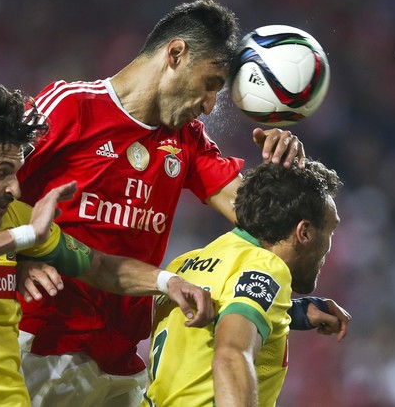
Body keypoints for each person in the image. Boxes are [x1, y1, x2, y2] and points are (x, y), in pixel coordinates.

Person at [16, 0, 350, 406]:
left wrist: (282, 168)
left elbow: (264, 223)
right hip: (45, 344)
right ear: (176, 54)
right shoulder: (69, 107)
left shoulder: (186, 141)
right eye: (210, 83)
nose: (211, 105)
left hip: (120, 361)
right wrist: (13, 258)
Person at [0, 84, 214, 406]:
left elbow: (101, 267)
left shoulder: (15, 217)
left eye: (15, 172)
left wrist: (169, 282)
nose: (14, 188)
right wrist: (23, 240)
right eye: (1, 173)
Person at [144, 159, 347, 406]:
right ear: (304, 232)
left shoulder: (183, 265)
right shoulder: (268, 267)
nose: (329, 245)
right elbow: (230, 355)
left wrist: (292, 312)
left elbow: (218, 317)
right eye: (330, 230)